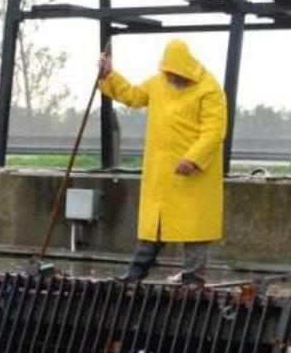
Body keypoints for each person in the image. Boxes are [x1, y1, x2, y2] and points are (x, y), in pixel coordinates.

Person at [97, 39, 228, 286]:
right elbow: (133, 96)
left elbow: (213, 132)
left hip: (194, 177)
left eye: (173, 73)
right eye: (166, 72)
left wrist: (193, 158)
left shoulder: (209, 89)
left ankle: (193, 278)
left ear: (184, 68)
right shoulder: (158, 83)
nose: (170, 77)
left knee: (196, 231)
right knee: (154, 227)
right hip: (163, 174)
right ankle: (135, 275)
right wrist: (108, 75)